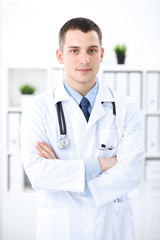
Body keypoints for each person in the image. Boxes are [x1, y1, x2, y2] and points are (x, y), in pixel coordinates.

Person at [20, 17, 144, 240]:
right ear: (60, 56)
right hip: (60, 230)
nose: (84, 59)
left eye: (92, 50)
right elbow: (38, 174)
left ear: (102, 54)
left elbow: (130, 173)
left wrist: (63, 172)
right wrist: (102, 164)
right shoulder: (38, 109)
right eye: (74, 50)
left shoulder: (127, 108)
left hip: (112, 227)